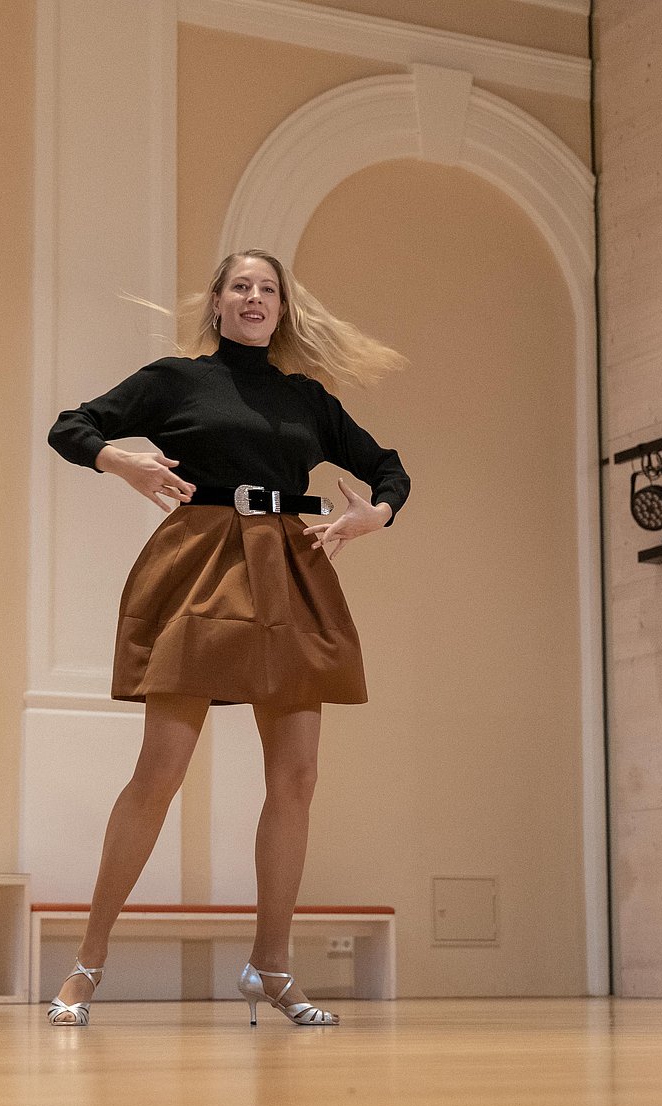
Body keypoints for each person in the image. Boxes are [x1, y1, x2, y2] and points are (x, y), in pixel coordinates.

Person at [43, 249, 410, 1027]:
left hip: (289, 570)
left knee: (298, 776)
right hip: (202, 564)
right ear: (217, 302)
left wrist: (372, 515)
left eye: (267, 289)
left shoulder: (306, 399)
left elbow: (388, 468)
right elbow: (71, 427)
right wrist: (122, 463)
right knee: (160, 769)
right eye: (240, 286)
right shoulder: (177, 380)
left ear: (281, 308)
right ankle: (88, 961)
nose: (253, 297)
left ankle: (271, 966)